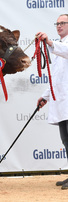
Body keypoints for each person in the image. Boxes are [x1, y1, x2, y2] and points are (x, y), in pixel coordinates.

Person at [36, 14, 68, 190]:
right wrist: (45, 96)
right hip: (62, 103)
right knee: (66, 140)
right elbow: (56, 77)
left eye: (63, 23)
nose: (59, 25)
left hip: (67, 101)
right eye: (57, 23)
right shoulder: (59, 46)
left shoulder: (59, 46)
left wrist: (49, 43)